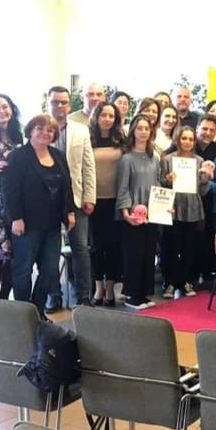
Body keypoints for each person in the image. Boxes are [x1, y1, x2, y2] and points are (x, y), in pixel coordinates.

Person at [3, 115, 76, 317]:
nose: (45, 132)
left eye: (50, 130)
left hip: (52, 224)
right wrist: (16, 217)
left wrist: (70, 211)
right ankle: (23, 315)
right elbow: (10, 190)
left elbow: (67, 186)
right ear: (31, 130)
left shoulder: (58, 155)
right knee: (23, 271)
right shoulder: (18, 156)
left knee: (50, 271)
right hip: (26, 223)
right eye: (40, 128)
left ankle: (37, 312)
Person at [46, 85, 96, 311]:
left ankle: (83, 297)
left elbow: (88, 166)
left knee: (81, 249)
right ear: (48, 103)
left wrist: (89, 196)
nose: (59, 106)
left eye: (64, 102)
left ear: (69, 105)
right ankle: (53, 295)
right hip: (46, 200)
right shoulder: (39, 127)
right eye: (55, 102)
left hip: (76, 198)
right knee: (49, 250)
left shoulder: (81, 130)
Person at [116, 115, 162, 310]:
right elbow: (123, 187)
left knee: (148, 253)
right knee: (133, 255)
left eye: (146, 128)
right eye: (139, 128)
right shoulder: (126, 159)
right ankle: (132, 295)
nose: (143, 132)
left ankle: (144, 293)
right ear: (133, 131)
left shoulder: (155, 158)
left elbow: (158, 184)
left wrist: (164, 207)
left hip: (152, 213)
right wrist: (126, 213)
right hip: (133, 214)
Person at [159, 126, 211, 299]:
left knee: (189, 247)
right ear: (178, 139)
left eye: (190, 139)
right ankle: (170, 282)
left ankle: (186, 281)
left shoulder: (199, 160)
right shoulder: (167, 160)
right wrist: (167, 180)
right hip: (173, 207)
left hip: (192, 208)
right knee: (171, 246)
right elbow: (160, 184)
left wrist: (205, 180)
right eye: (184, 138)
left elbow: (202, 191)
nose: (187, 142)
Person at [88, 103, 126, 306]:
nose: (107, 119)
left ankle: (110, 287)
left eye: (111, 116)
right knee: (95, 247)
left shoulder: (121, 140)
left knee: (113, 246)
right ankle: (98, 287)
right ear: (97, 116)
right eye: (104, 115)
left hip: (116, 200)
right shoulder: (88, 138)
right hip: (92, 201)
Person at [0, 94, 21, 299]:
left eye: (5, 106)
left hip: (14, 203)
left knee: (13, 253)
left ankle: (4, 298)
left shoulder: (18, 137)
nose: (1, 111)